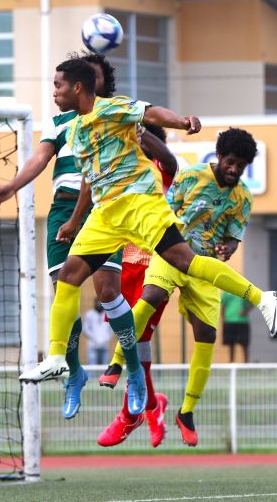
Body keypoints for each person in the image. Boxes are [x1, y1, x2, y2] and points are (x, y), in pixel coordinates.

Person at [19, 59, 277, 421]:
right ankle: (57, 361)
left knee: (184, 261)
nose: (53, 92)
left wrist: (181, 121)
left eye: (58, 85)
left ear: (77, 88)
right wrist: (71, 217)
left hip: (140, 202)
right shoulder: (75, 130)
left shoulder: (112, 107)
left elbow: (151, 112)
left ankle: (263, 299)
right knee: (68, 278)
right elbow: (90, 177)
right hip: (105, 214)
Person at [0, 52, 173, 420]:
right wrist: (13, 185)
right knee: (62, 292)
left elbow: (140, 150)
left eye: (98, 78)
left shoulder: (114, 117)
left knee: (107, 292)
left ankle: (133, 370)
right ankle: (73, 373)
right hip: (61, 209)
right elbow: (38, 159)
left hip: (103, 209)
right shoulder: (60, 123)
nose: (90, 83)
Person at [95, 128, 257, 449]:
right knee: (141, 320)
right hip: (141, 259)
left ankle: (156, 410)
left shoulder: (174, 170)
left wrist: (227, 248)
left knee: (199, 334)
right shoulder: (113, 172)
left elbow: (232, 234)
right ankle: (144, 404)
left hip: (186, 260)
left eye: (241, 165)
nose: (235, 170)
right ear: (220, 156)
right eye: (231, 162)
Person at [94, 124, 176, 449]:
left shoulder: (158, 170)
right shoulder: (117, 172)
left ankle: (131, 414)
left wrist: (144, 135)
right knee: (133, 342)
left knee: (138, 337)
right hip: (121, 267)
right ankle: (153, 406)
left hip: (154, 266)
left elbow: (171, 163)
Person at [222, 291, 253, 363]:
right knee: (231, 344)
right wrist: (224, 320)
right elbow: (223, 306)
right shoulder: (227, 292)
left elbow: (252, 303)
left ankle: (246, 363)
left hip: (242, 321)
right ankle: (231, 362)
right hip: (229, 321)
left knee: (244, 344)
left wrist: (245, 311)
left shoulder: (244, 291)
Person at [82, 299, 113, 365]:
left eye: (100, 302)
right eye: (97, 302)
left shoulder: (107, 314)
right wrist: (94, 338)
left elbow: (111, 329)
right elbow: (85, 329)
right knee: (92, 368)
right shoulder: (89, 314)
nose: (99, 304)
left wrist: (106, 338)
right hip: (93, 346)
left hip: (104, 346)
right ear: (94, 303)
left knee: (105, 369)